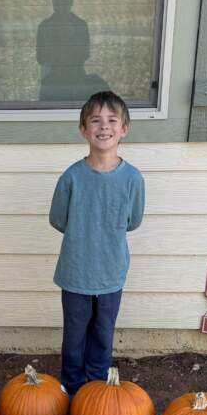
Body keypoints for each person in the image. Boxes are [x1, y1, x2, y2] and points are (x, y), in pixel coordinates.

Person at [49, 91, 145, 395]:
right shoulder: (72, 178)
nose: (104, 127)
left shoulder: (132, 179)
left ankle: (97, 391)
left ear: (124, 129)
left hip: (111, 272)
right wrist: (84, 232)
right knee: (75, 335)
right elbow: (58, 219)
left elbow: (133, 220)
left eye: (112, 120)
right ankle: (72, 388)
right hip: (75, 272)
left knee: (103, 333)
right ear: (83, 129)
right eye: (95, 120)